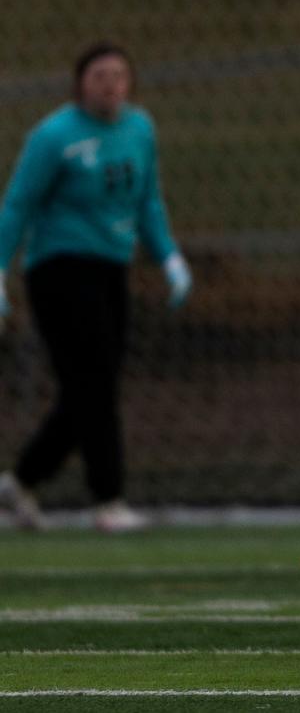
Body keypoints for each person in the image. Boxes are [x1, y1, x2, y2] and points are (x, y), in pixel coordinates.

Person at [0, 42, 192, 533]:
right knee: (94, 384)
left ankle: (21, 479)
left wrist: (168, 256)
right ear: (80, 81)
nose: (110, 84)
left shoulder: (139, 128)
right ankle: (108, 500)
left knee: (90, 387)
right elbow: (18, 204)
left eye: (119, 75)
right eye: (100, 75)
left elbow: (147, 199)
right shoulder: (54, 136)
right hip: (60, 270)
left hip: (111, 269)